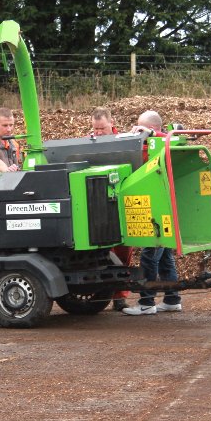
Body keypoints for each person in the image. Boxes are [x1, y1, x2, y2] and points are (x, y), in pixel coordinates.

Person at [123, 110, 182, 315]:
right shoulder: (151, 145)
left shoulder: (164, 142)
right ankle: (172, 298)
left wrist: (151, 134)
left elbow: (168, 140)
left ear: (152, 129)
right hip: (160, 205)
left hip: (159, 208)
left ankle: (147, 302)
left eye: (141, 128)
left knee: (150, 255)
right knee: (165, 256)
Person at [90, 107, 131, 311]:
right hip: (97, 204)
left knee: (123, 252)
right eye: (95, 129)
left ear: (111, 123)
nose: (98, 133)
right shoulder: (87, 143)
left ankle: (120, 296)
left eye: (102, 128)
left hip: (120, 202)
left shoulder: (123, 142)